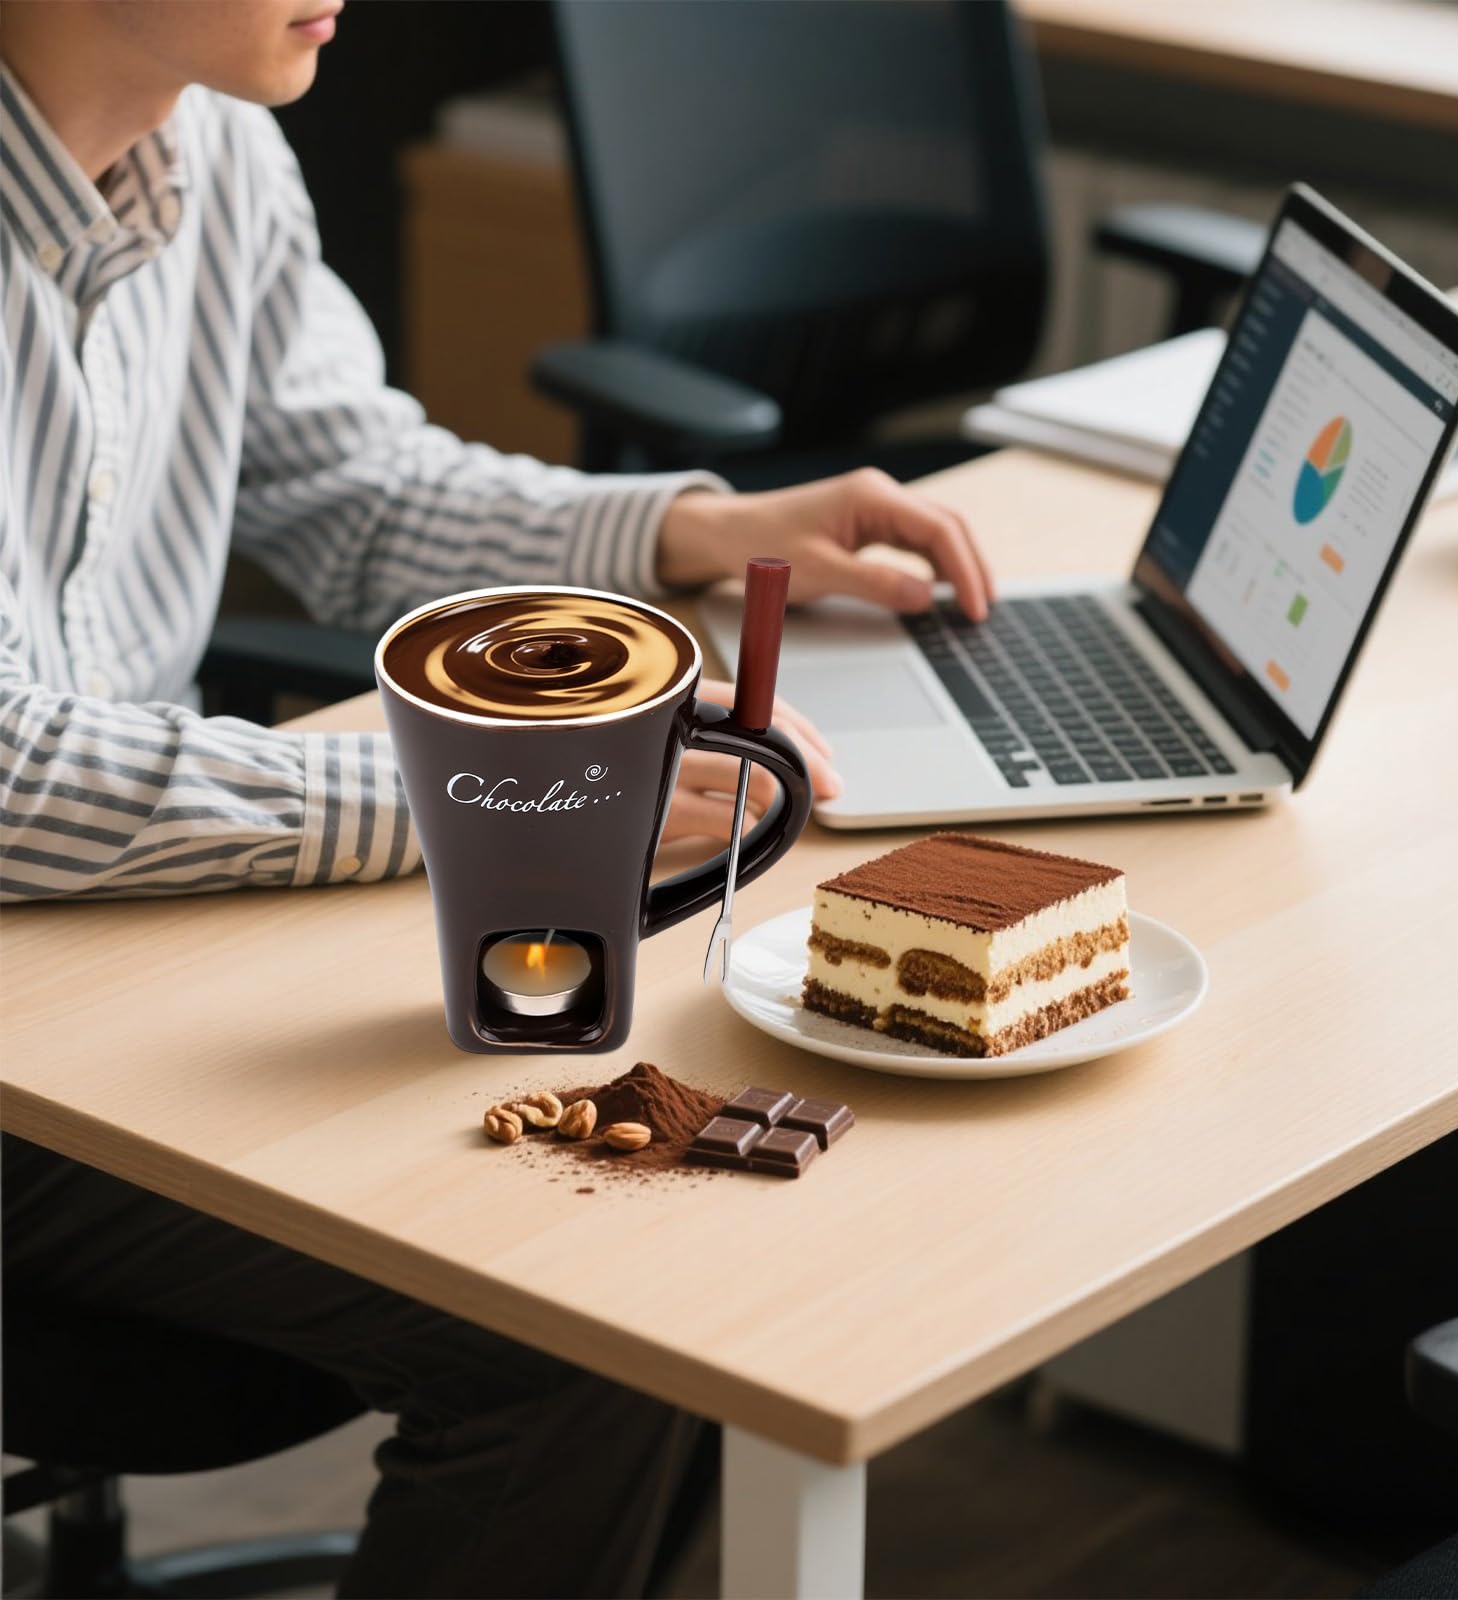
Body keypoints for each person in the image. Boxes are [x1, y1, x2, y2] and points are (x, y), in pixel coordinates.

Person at [0, 3, 995, 1594]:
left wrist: (695, 532)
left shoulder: (222, 150)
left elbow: (361, 495)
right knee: (588, 1339)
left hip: (126, 965)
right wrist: (501, 791)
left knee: (685, 1205)